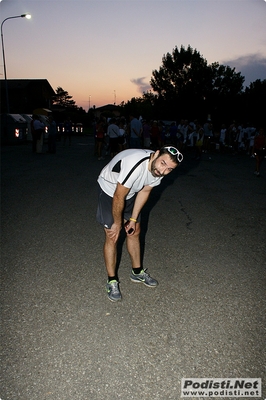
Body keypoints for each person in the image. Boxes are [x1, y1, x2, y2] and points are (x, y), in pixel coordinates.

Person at [96, 145, 183, 302]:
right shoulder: (135, 164)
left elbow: (145, 191)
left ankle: (136, 272)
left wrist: (133, 220)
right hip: (111, 191)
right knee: (113, 236)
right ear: (156, 154)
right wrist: (117, 223)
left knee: (134, 231)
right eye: (163, 163)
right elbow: (118, 196)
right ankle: (112, 280)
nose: (163, 171)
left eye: (169, 169)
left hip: (131, 192)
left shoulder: (160, 169)